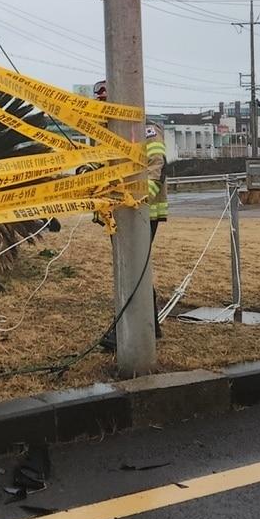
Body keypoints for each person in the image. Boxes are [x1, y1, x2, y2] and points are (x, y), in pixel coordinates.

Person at [93, 80, 167, 350]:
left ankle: (126, 328)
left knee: (133, 268)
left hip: (141, 210)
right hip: (117, 211)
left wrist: (137, 197)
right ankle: (149, 324)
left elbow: (156, 165)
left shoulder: (143, 129)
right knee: (132, 267)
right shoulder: (105, 132)